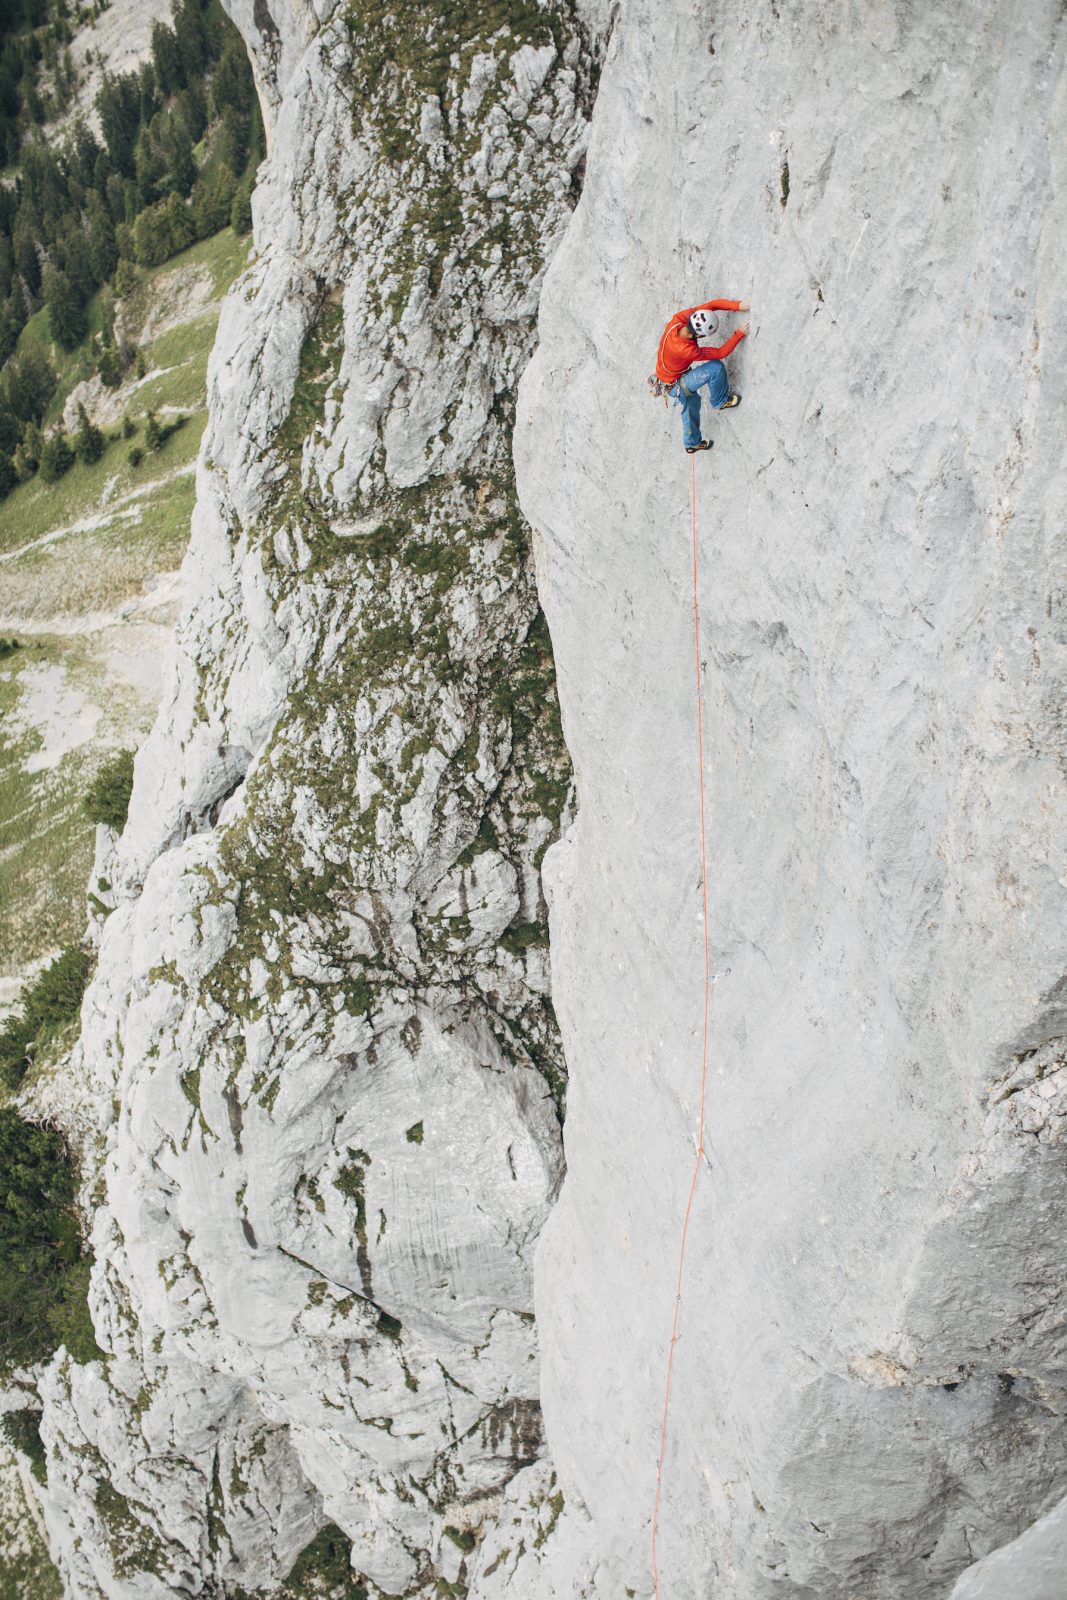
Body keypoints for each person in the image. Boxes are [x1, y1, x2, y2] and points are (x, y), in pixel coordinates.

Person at [655, 298, 750, 454]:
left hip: (668, 379)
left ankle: (692, 443)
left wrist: (738, 306)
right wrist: (739, 333)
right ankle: (720, 401)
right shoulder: (686, 349)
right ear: (699, 335)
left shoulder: (678, 319)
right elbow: (720, 353)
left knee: (691, 403)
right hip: (675, 384)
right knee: (715, 368)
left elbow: (711, 305)